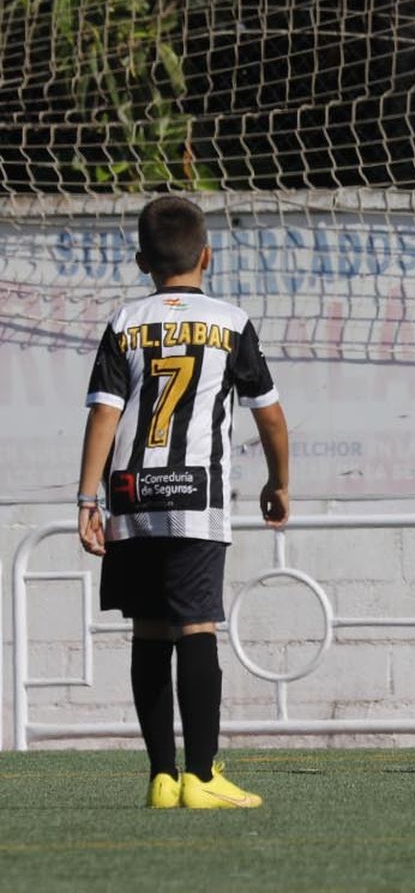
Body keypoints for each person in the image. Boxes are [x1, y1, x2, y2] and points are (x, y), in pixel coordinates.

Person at [77, 195, 290, 808]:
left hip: (133, 494)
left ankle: (161, 777)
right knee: (197, 624)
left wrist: (86, 499)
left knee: (149, 629)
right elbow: (270, 417)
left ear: (142, 260)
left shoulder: (124, 322)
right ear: (207, 255)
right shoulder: (230, 321)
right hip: (196, 496)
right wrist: (278, 482)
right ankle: (202, 775)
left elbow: (104, 413)